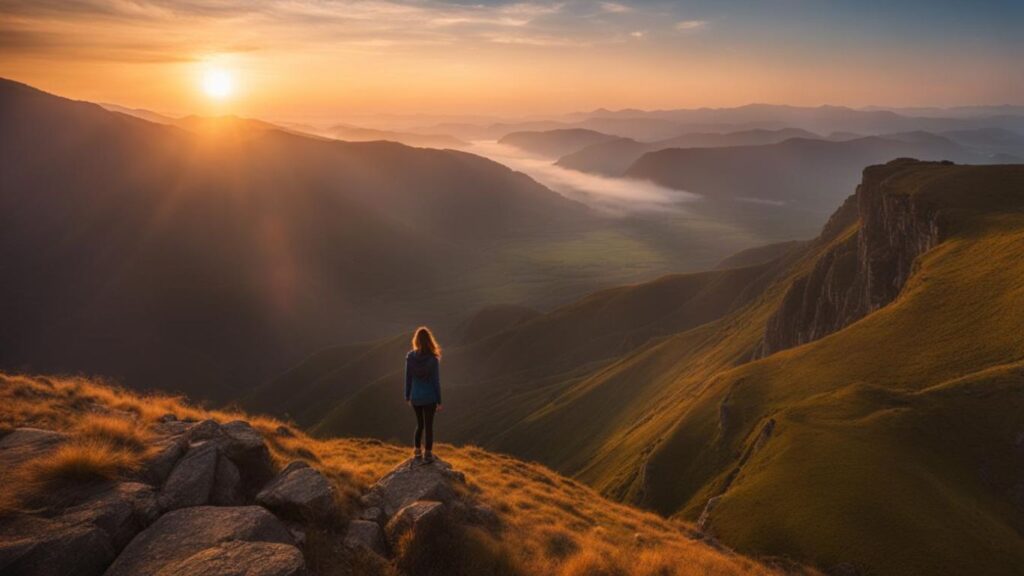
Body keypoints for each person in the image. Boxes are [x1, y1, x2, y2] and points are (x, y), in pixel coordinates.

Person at [405, 326, 443, 462]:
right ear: (429, 341)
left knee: (420, 424)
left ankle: (416, 451)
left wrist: (407, 395)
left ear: (417, 341)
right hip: (430, 397)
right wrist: (439, 400)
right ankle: (427, 453)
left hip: (415, 396)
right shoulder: (433, 360)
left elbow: (408, 378)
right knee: (429, 426)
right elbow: (436, 381)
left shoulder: (410, 358)